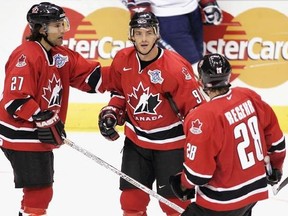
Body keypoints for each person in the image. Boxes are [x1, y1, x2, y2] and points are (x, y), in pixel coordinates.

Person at [0, 2, 108, 216]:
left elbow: (91, 77)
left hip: (37, 133)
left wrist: (126, 74)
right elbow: (15, 100)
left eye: (63, 24)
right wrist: (42, 117)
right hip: (21, 134)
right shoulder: (27, 55)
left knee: (40, 190)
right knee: (40, 191)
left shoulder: (60, 55)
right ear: (41, 29)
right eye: (57, 25)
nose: (63, 30)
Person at [98, 11, 206, 216]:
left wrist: (201, 146)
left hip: (171, 146)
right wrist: (112, 112)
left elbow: (197, 111)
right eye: (138, 33)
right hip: (136, 143)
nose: (144, 38)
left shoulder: (175, 67)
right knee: (131, 202)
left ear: (157, 34)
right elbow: (119, 92)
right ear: (131, 35)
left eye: (149, 33)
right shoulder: (123, 59)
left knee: (174, 207)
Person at [169, 53, 286, 216]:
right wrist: (276, 166)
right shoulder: (248, 96)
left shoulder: (203, 117)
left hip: (222, 200)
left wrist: (182, 184)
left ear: (201, 80)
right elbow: (276, 139)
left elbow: (199, 174)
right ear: (228, 75)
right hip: (253, 193)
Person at [126, 0, 223, 73]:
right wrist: (140, 12)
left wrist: (207, 2)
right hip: (165, 14)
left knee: (197, 61)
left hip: (192, 9)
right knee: (192, 66)